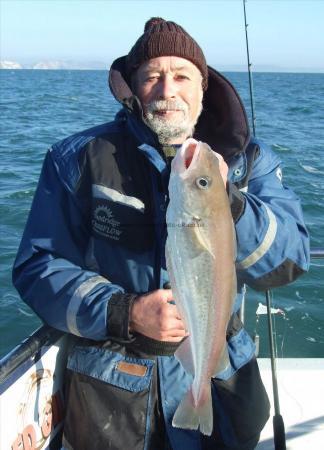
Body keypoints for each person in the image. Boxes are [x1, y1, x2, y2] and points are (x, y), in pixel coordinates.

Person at [12, 17, 310, 450]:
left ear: (203, 87)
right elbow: (38, 266)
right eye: (152, 76)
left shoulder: (249, 162)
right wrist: (123, 311)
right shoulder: (76, 159)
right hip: (114, 399)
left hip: (224, 387)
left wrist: (230, 202)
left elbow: (291, 260)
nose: (168, 91)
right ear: (133, 87)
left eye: (182, 76)